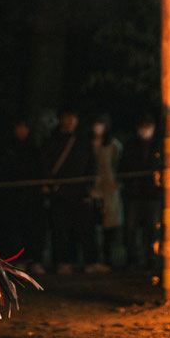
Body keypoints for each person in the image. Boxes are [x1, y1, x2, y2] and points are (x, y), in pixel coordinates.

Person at [40, 106, 98, 273]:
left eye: (73, 117)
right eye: (67, 117)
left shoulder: (82, 140)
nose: (70, 121)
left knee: (85, 227)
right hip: (60, 192)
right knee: (61, 229)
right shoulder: (52, 140)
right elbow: (45, 164)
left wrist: (90, 185)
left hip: (80, 191)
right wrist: (51, 184)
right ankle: (63, 262)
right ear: (60, 120)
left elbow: (91, 164)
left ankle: (90, 262)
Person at [0, 117, 45, 273]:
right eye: (19, 127)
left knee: (33, 229)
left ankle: (34, 259)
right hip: (13, 196)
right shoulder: (7, 149)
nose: (22, 131)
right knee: (15, 229)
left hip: (32, 196)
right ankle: (19, 259)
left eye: (25, 127)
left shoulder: (34, 148)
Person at [119, 114, 164, 270]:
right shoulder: (130, 145)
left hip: (153, 194)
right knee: (131, 228)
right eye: (142, 125)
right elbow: (122, 167)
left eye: (148, 125)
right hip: (133, 193)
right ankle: (132, 258)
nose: (145, 129)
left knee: (152, 227)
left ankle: (151, 257)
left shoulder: (159, 145)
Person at [89, 113, 122, 271]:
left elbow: (119, 166)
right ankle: (94, 260)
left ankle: (108, 260)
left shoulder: (114, 145)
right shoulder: (88, 144)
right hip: (92, 190)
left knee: (109, 228)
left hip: (110, 191)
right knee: (93, 226)